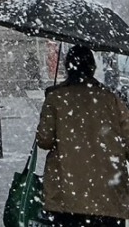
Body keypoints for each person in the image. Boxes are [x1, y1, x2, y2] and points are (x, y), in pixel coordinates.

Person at [35, 44, 129, 227]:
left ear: (67, 67)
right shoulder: (111, 100)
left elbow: (44, 140)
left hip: (66, 195)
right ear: (92, 68)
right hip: (108, 194)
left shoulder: (56, 99)